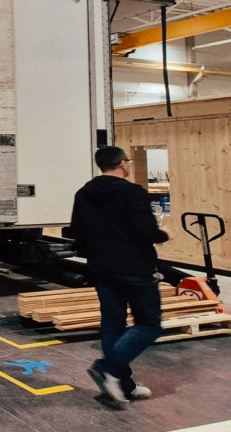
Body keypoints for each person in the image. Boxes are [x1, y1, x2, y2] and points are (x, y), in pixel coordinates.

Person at [69, 146, 171, 408]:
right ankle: (109, 368)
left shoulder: (83, 193)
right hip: (134, 269)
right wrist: (165, 234)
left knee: (113, 324)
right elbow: (147, 232)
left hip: (101, 268)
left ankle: (122, 385)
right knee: (149, 325)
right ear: (123, 164)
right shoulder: (132, 193)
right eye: (129, 161)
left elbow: (77, 231)